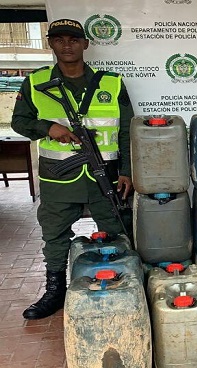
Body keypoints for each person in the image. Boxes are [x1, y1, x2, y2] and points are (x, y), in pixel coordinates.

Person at [11, 18, 134, 320]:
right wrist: (48, 128)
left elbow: (126, 131)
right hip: (58, 176)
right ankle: (55, 291)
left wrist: (127, 171)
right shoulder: (35, 82)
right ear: (51, 43)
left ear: (85, 44)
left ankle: (122, 286)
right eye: (59, 39)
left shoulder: (111, 82)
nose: (67, 45)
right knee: (54, 236)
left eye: (74, 40)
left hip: (104, 176)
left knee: (118, 231)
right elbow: (19, 122)